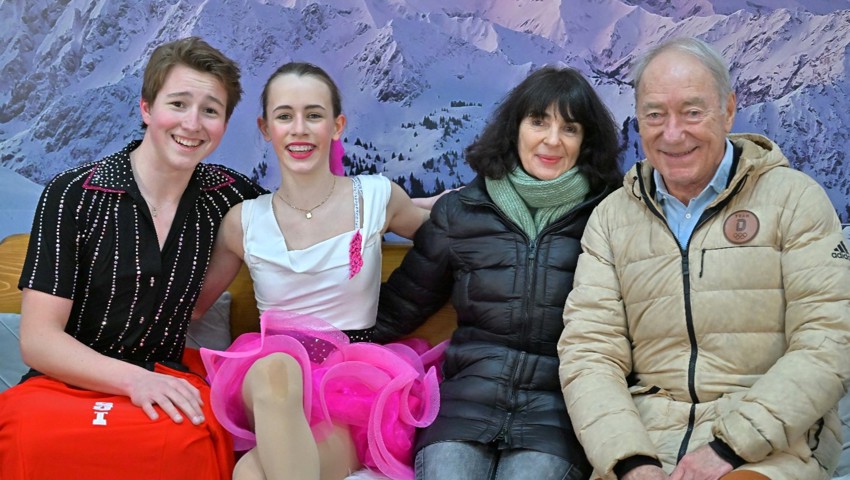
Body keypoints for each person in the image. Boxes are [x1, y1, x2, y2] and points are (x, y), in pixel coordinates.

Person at [557, 36, 850, 480]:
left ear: (728, 109)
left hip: (770, 446)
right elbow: (589, 353)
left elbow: (830, 339)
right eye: (655, 115)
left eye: (692, 112)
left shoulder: (795, 201)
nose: (672, 133)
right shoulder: (612, 220)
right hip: (646, 441)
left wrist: (729, 448)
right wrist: (631, 461)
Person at [0, 37, 266, 480]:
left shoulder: (229, 195)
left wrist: (407, 208)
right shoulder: (73, 194)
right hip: (65, 380)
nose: (192, 123)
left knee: (185, 442)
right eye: (178, 103)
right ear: (146, 108)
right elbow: (39, 340)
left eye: (211, 111)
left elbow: (310, 212)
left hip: (166, 374)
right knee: (27, 438)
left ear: (224, 124)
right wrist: (134, 381)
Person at [192, 62, 444, 480]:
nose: (299, 129)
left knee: (251, 475)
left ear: (337, 125)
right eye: (285, 116)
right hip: (269, 372)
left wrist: (452, 205)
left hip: (353, 382)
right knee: (278, 369)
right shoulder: (243, 221)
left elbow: (447, 239)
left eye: (313, 115)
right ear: (265, 128)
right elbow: (195, 305)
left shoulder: (376, 197)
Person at [374, 66, 623, 480]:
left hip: (558, 415)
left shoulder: (608, 217)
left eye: (570, 128)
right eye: (538, 121)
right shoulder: (463, 212)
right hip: (465, 406)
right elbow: (399, 307)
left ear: (586, 142)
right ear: (516, 128)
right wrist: (321, 341)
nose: (551, 140)